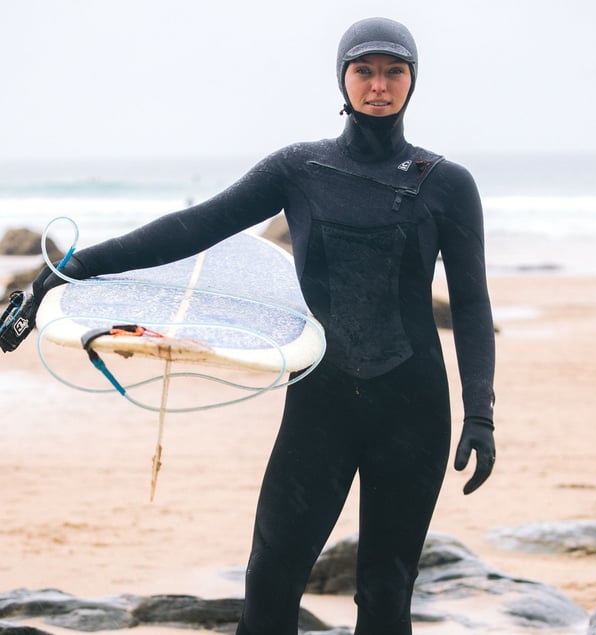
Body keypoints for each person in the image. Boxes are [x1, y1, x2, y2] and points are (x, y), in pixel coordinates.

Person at [27, 16, 496, 635]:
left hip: (413, 411)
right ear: (343, 78)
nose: (378, 86)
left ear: (413, 81)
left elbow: (470, 306)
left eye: (393, 71)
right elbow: (194, 228)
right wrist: (79, 266)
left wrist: (481, 414)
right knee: (271, 578)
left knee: (386, 592)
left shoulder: (448, 185)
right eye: (364, 71)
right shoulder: (299, 169)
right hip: (321, 406)